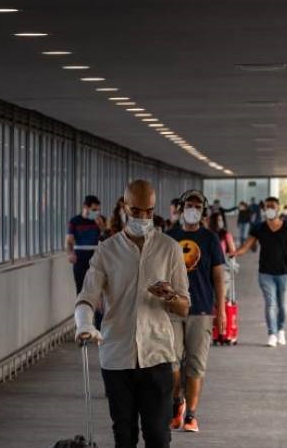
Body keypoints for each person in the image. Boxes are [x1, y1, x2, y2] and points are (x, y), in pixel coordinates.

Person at [74, 180, 191, 448]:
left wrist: (170, 296)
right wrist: (85, 324)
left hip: (157, 354)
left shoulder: (169, 249)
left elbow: (185, 307)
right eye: (137, 211)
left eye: (149, 211)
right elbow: (87, 296)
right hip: (116, 355)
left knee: (158, 436)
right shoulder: (107, 250)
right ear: (125, 207)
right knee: (124, 435)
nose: (144, 217)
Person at [165, 190, 227, 434]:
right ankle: (176, 402)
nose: (192, 209)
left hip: (201, 309)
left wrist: (220, 310)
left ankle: (191, 415)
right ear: (181, 208)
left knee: (196, 365)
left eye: (197, 206)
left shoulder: (210, 239)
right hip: (171, 309)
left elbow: (219, 276)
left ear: (203, 211)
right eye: (188, 205)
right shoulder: (169, 238)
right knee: (171, 363)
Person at [233, 196, 287, 347]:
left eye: (273, 206)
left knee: (283, 305)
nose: (270, 209)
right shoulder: (259, 227)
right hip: (265, 273)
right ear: (264, 209)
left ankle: (281, 330)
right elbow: (247, 245)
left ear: (278, 208)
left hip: (284, 273)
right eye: (267, 206)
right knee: (270, 303)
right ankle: (272, 333)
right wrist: (235, 253)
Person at [67, 196, 107, 328]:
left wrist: (101, 226)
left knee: (100, 291)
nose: (96, 212)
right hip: (80, 258)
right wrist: (70, 253)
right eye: (94, 209)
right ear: (86, 207)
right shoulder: (75, 221)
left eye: (98, 210)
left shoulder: (99, 221)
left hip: (96, 257)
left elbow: (106, 238)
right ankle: (83, 325)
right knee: (81, 291)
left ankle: (99, 325)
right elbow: (69, 240)